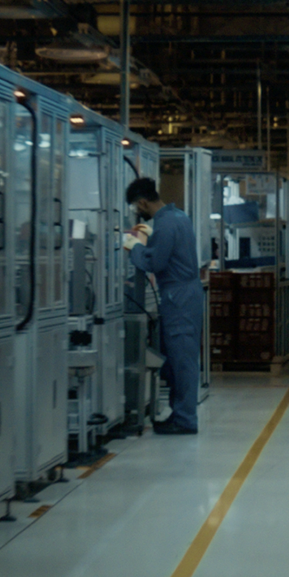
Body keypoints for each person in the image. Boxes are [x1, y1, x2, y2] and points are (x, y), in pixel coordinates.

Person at [126, 177, 204, 434]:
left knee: (182, 361)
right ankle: (179, 413)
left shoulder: (166, 224)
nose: (137, 212)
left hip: (178, 298)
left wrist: (134, 247)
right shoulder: (178, 216)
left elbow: (155, 263)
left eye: (136, 207)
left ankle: (185, 420)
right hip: (186, 296)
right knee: (178, 360)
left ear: (142, 202)